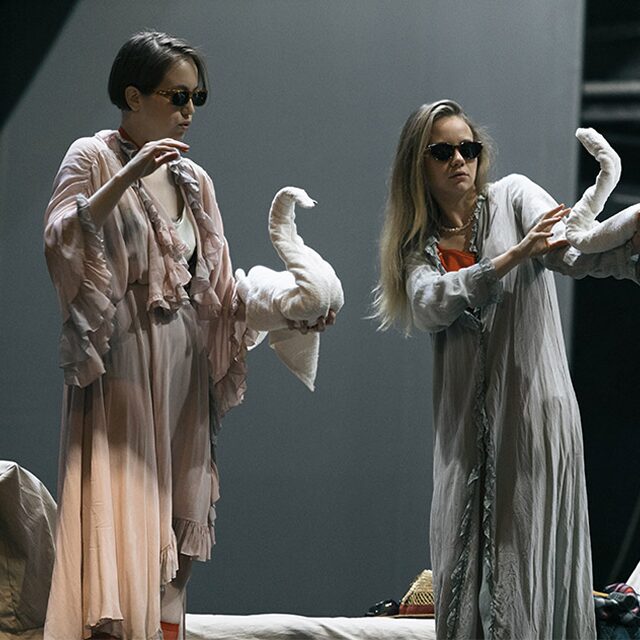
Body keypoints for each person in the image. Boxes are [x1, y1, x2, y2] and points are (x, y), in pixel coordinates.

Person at [43, 31, 331, 640]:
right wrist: (126, 177)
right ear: (133, 96)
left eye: (197, 96)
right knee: (125, 511)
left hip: (183, 367)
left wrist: (292, 310)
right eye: (177, 96)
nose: (189, 110)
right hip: (125, 363)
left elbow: (221, 291)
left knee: (179, 517)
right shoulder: (91, 156)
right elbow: (62, 238)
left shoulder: (194, 179)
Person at [373, 99, 640, 640]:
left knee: (526, 555)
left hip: (533, 414)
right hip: (465, 437)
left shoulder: (514, 195)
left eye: (467, 148)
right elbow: (431, 303)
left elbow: (573, 251)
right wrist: (512, 256)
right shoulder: (417, 249)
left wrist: (630, 237)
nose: (459, 160)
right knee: (462, 561)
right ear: (417, 164)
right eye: (442, 151)